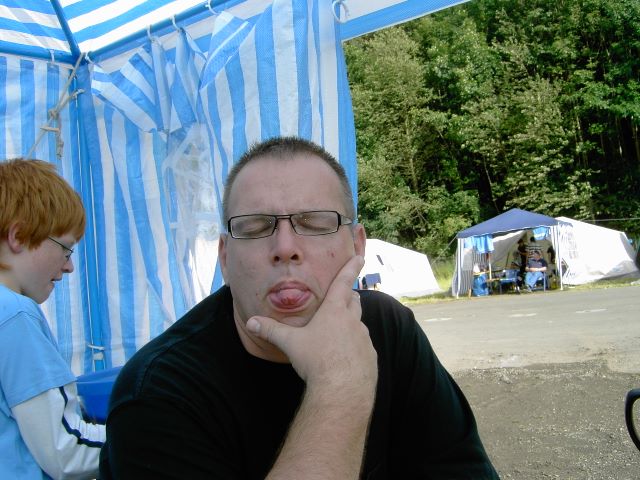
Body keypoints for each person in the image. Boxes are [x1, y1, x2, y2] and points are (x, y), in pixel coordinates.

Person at [100, 137, 499, 479]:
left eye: (315, 223)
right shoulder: (156, 392)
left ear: (357, 246)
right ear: (225, 257)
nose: (285, 247)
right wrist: (339, 383)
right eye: (255, 227)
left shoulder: (389, 328)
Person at [0, 159, 105, 479]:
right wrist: (150, 435)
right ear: (19, 236)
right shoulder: (14, 315)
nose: (69, 266)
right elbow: (65, 451)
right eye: (66, 249)